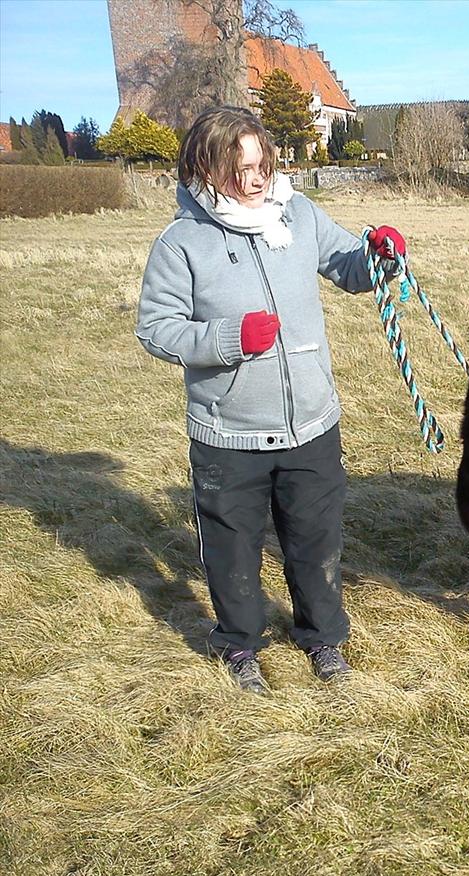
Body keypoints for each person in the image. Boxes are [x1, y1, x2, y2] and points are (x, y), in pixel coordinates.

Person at [136, 106, 405, 693]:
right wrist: (227, 340)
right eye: (241, 169)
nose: (257, 180)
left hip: (312, 422)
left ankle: (323, 639)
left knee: (316, 541)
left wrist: (378, 254)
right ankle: (238, 647)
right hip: (228, 434)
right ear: (204, 169)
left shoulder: (298, 213)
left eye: (263, 165)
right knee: (231, 552)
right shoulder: (183, 242)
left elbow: (347, 264)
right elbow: (156, 327)